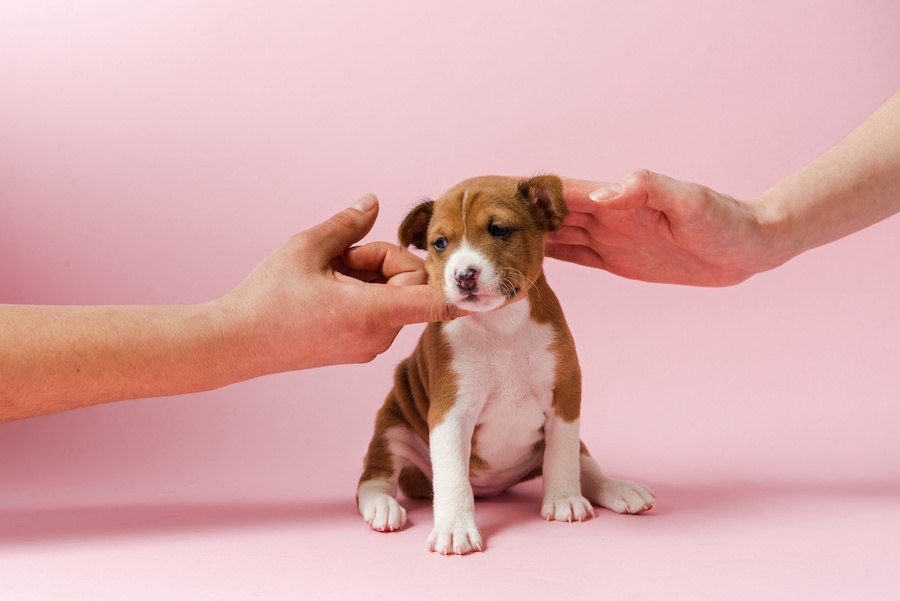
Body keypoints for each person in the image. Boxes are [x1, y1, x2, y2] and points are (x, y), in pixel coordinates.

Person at [2, 91, 898, 422]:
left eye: (494, 233)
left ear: (535, 222)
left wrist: (768, 227)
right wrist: (234, 333)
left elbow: (567, 404)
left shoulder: (542, 308)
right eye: (441, 244)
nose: (461, 262)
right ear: (422, 242)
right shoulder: (444, 323)